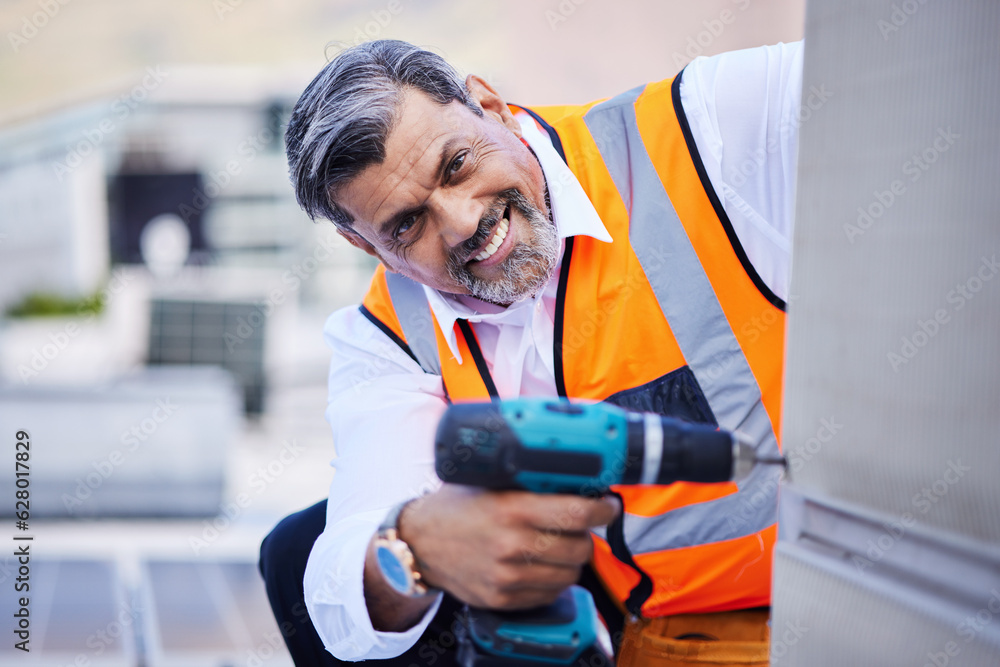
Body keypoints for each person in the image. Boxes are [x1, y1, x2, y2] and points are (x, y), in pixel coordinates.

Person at [260, 37, 802, 666]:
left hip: (842, 599)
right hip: (661, 630)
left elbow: (899, 73)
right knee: (296, 547)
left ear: (490, 104)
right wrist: (416, 546)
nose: (460, 221)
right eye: (407, 224)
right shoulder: (388, 331)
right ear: (365, 246)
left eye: (456, 163)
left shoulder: (704, 132)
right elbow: (335, 599)